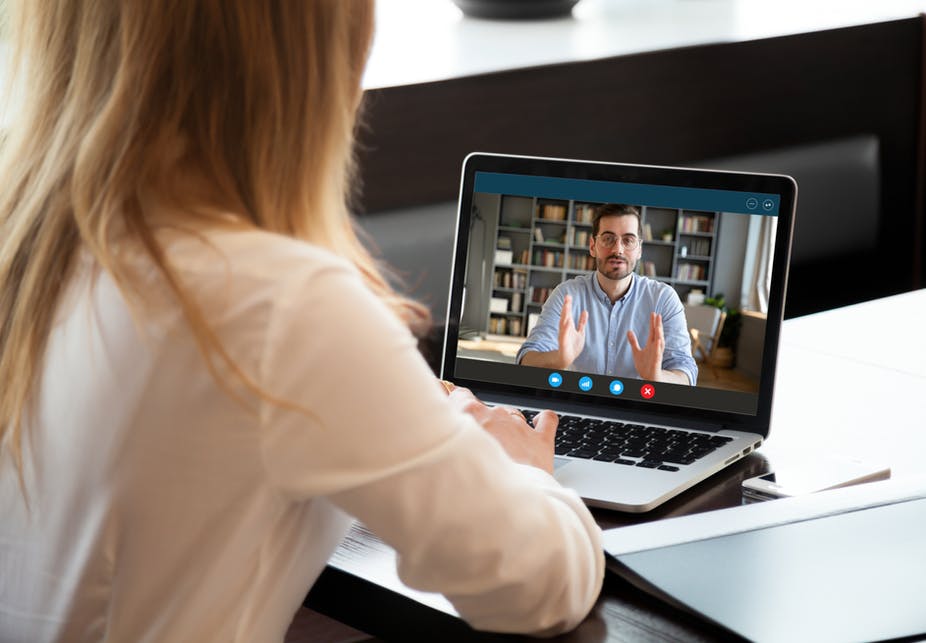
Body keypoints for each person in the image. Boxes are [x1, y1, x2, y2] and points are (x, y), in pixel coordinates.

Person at [0, 3, 603, 641]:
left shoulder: (30, 248)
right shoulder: (279, 304)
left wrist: (408, 420)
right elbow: (535, 585)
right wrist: (523, 473)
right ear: (314, 57)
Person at [518, 204, 697, 385]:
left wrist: (656, 376)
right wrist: (559, 358)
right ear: (592, 246)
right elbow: (526, 359)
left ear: (639, 249)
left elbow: (686, 374)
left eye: (628, 240)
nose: (618, 249)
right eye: (608, 238)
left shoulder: (664, 299)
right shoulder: (566, 295)